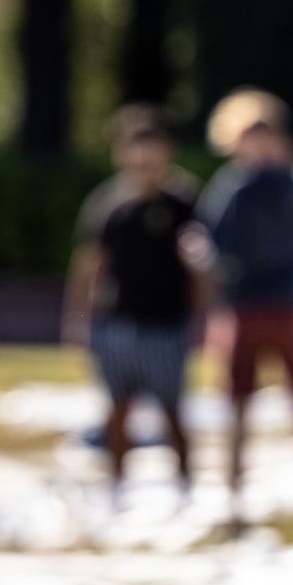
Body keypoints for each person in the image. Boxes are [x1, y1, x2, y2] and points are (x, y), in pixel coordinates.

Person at [198, 88, 293, 538]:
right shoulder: (232, 186)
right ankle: (233, 504)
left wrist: (271, 176)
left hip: (290, 303)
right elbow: (213, 244)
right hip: (243, 306)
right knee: (236, 407)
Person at [64, 105, 209, 505]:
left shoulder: (186, 201)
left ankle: (184, 488)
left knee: (174, 411)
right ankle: (117, 489)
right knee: (117, 411)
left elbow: (202, 270)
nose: (144, 158)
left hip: (169, 324)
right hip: (117, 324)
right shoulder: (108, 203)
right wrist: (78, 321)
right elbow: (90, 266)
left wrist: (202, 318)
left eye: (152, 147)